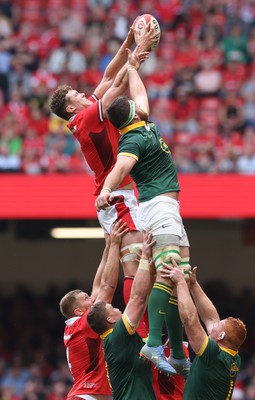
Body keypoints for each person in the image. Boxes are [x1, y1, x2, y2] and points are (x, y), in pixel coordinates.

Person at [50, 25, 156, 339]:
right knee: (133, 260)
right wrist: (136, 58)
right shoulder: (84, 118)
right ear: (71, 108)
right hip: (116, 195)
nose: (84, 95)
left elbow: (108, 77)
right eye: (77, 96)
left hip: (116, 194)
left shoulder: (83, 116)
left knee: (134, 258)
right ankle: (145, 332)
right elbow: (118, 83)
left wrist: (126, 44)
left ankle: (147, 330)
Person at [95, 44, 191, 376]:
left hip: (170, 209)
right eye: (137, 105)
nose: (141, 104)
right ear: (133, 113)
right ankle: (153, 342)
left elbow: (140, 93)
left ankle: (177, 350)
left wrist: (134, 65)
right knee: (169, 274)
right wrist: (107, 189)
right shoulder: (132, 141)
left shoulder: (141, 123)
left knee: (184, 277)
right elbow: (121, 168)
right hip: (158, 207)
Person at [59, 220, 129, 400]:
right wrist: (114, 245)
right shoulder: (83, 324)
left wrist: (107, 247)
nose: (91, 298)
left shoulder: (77, 325)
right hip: (85, 396)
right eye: (86, 298)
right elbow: (107, 287)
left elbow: (98, 287)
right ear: (78, 311)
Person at [87, 230, 159, 400]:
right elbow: (137, 300)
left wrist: (150, 272)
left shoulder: (117, 341)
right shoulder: (117, 338)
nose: (118, 309)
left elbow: (141, 303)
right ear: (110, 320)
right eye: (112, 308)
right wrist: (143, 258)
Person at [161, 259, 247, 400]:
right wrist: (194, 285)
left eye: (219, 325)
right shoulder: (232, 356)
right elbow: (211, 319)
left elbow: (190, 320)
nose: (215, 324)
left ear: (221, 335)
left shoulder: (214, 356)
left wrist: (181, 283)